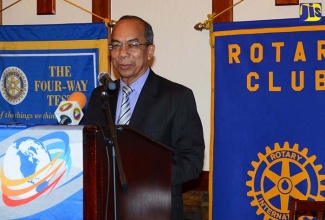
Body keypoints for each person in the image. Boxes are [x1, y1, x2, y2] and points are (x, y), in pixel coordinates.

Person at [84, 15, 205, 220]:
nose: (122, 54)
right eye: (116, 45)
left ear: (150, 51)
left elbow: (191, 160)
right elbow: (87, 150)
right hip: (105, 209)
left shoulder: (176, 97)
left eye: (132, 45)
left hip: (156, 209)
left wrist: (141, 175)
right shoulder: (100, 96)